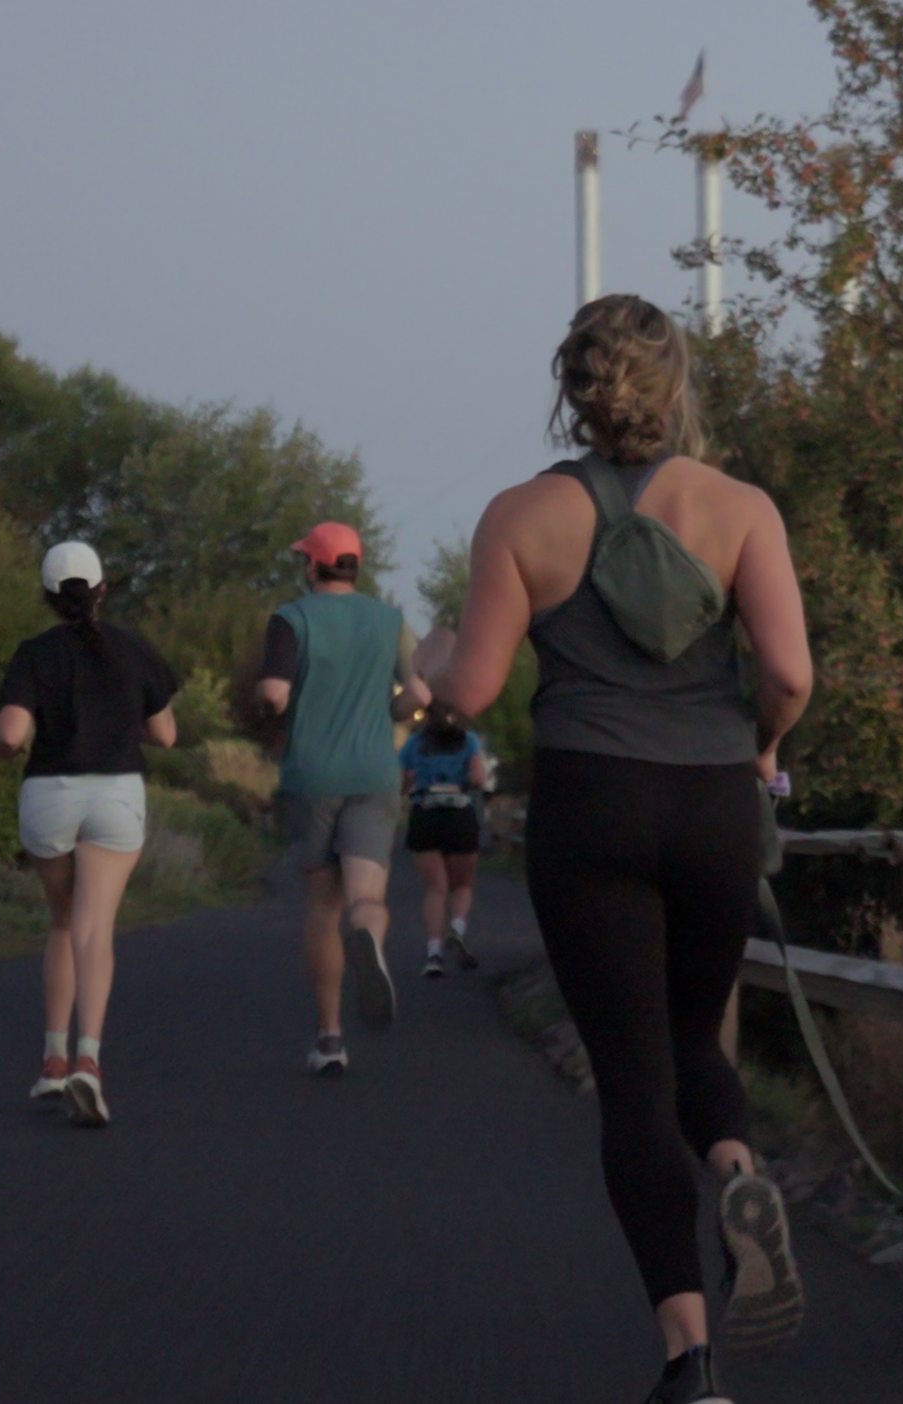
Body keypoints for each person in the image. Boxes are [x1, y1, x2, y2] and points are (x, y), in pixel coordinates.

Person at [430, 295, 815, 1404]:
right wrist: (764, 745)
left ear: (572, 390)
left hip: (590, 804)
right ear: (677, 383)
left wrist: (440, 655)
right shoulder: (741, 507)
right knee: (694, 1036)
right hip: (709, 804)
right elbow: (788, 675)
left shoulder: (517, 516)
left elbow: (472, 691)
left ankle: (689, 1361)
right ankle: (739, 1170)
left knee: (634, 1082)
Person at [0, 543, 179, 1127]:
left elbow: (11, 733)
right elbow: (166, 735)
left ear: (49, 597)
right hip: (118, 795)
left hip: (50, 795)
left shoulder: (34, 654)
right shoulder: (132, 649)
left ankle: (52, 1062)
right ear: (102, 589)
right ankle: (89, 1064)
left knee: (63, 921)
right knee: (95, 929)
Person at [255, 523, 428, 1075]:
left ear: (313, 566)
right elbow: (420, 694)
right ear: (355, 565)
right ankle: (370, 941)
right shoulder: (390, 620)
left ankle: (330, 1036)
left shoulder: (292, 619)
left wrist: (271, 702)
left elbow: (276, 693)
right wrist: (390, 713)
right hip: (374, 774)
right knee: (363, 897)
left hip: (312, 778)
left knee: (323, 908)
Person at [398, 702, 490, 978]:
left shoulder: (413, 744)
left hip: (425, 815)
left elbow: (402, 784)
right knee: (462, 885)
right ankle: (457, 929)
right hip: (459, 815)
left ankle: (434, 955)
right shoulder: (468, 740)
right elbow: (478, 778)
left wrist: (414, 783)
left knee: (435, 889)